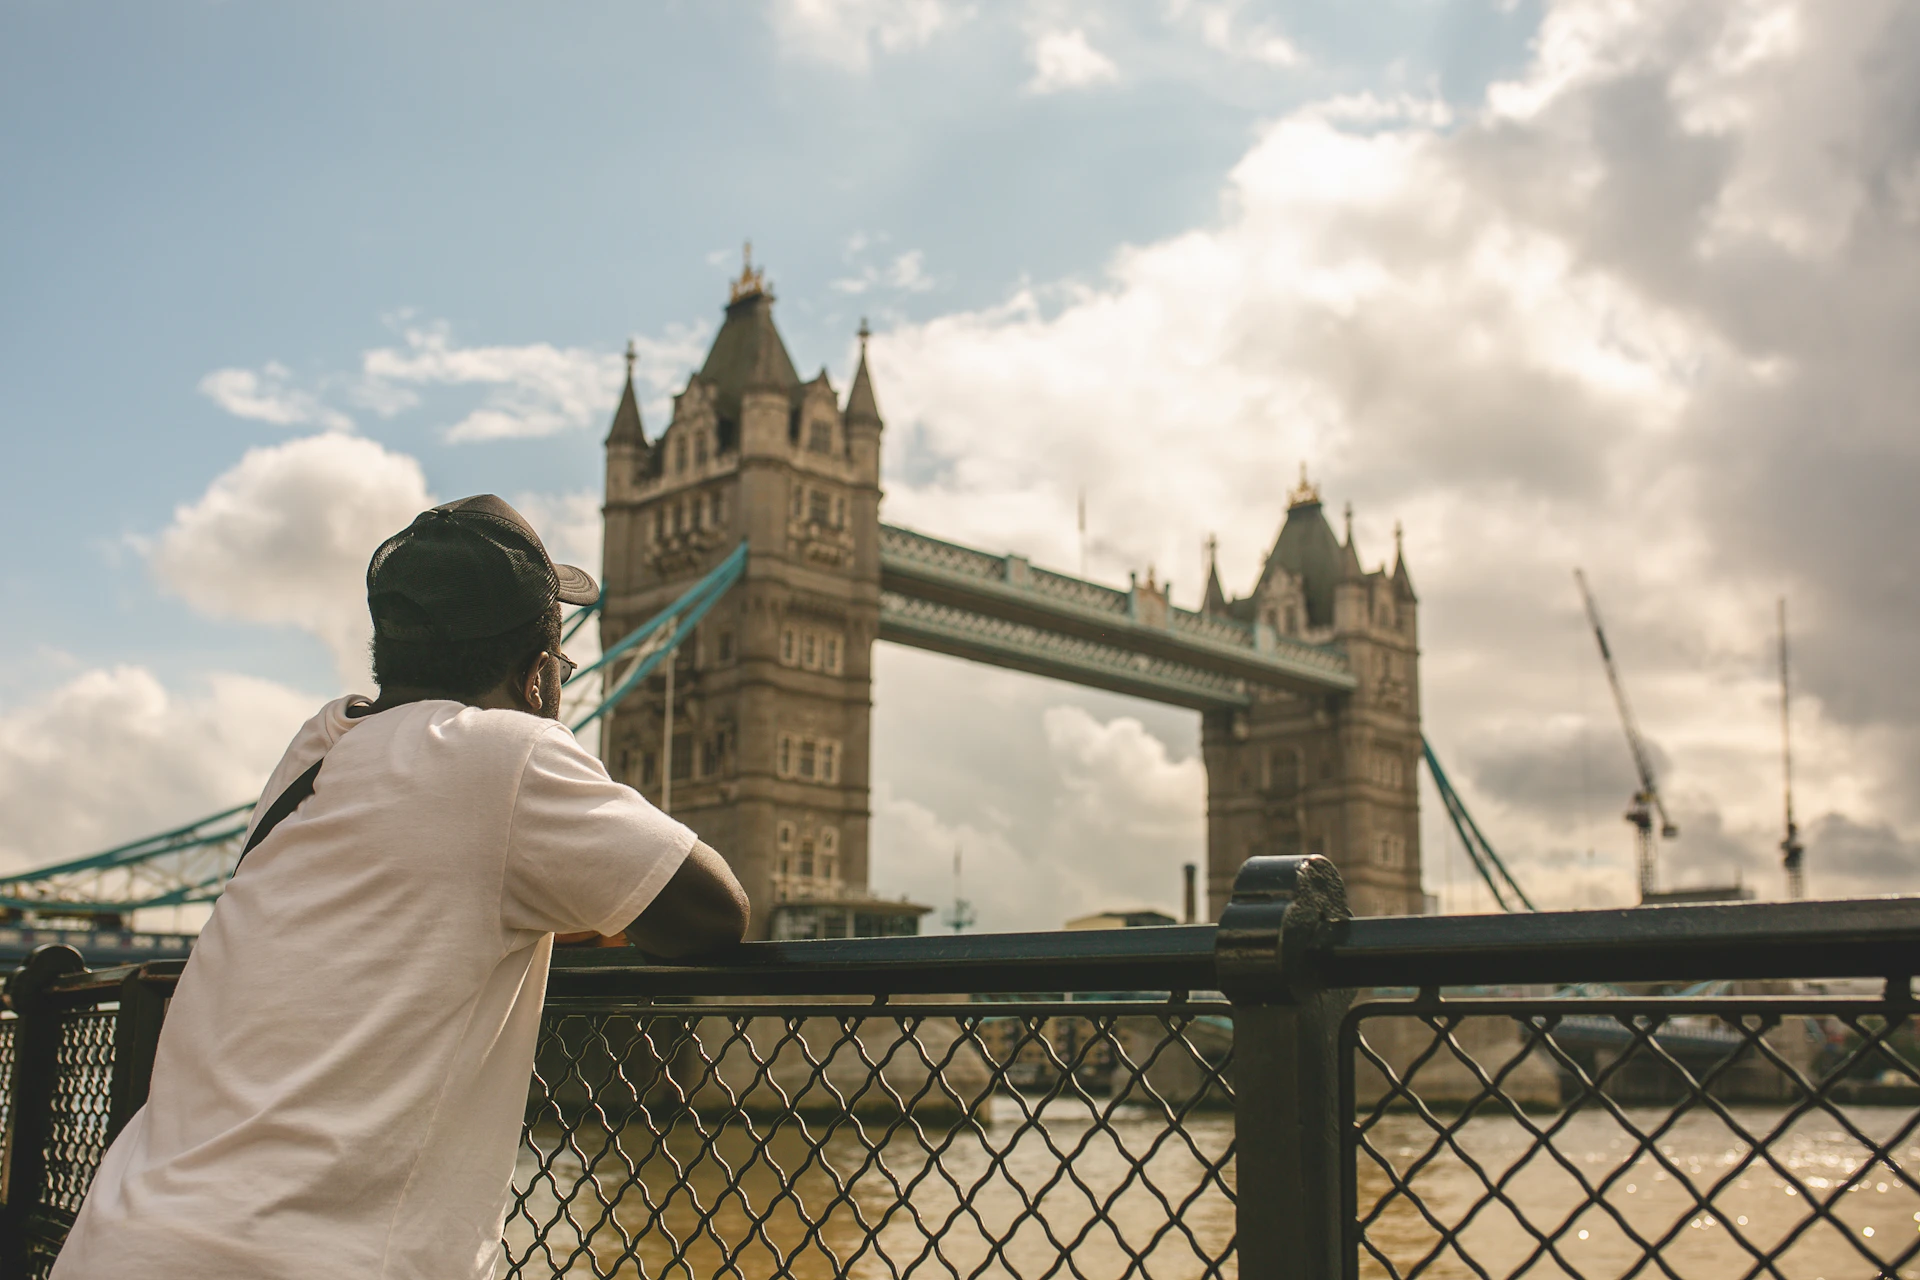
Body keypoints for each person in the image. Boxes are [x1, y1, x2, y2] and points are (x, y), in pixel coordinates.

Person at [52, 495, 749, 1280]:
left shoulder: (315, 751)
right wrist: (544, 732)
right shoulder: (507, 758)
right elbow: (713, 914)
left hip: (118, 1244)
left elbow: (399, 889)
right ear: (539, 672)